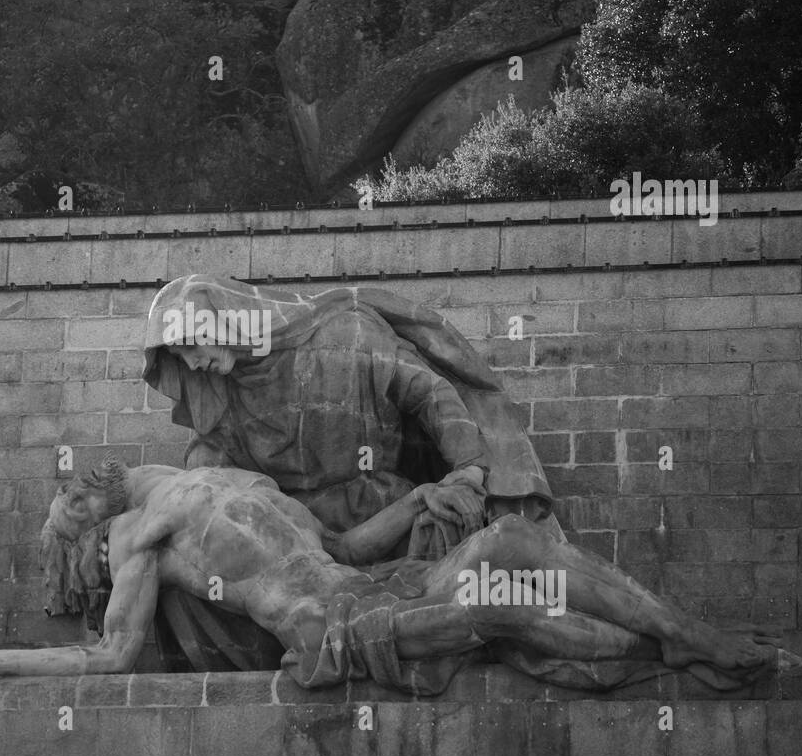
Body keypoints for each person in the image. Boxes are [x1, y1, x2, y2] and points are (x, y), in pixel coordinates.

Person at [0, 460, 796, 694]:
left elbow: (344, 541)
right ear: (89, 541)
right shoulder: (143, 536)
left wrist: (419, 501)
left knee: (511, 544)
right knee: (496, 609)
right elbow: (109, 662)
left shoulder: (235, 481)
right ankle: (668, 657)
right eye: (66, 510)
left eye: (65, 492)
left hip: (368, 588)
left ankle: (688, 640)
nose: (70, 491)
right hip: (334, 636)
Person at [141, 275, 559, 669]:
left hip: (382, 514)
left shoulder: (344, 335)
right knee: (185, 580)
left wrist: (468, 472)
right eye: (181, 357)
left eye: (192, 345)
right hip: (289, 537)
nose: (193, 365)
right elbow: (209, 486)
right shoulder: (217, 397)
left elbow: (430, 393)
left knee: (445, 518)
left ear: (228, 318)